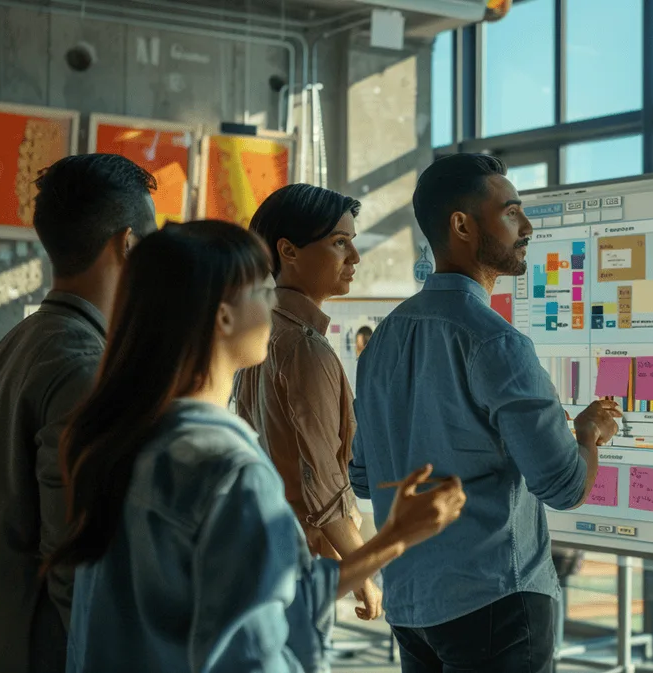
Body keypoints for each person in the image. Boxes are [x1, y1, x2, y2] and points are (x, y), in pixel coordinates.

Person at [46, 220, 466, 672]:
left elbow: (260, 596)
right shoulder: (229, 470)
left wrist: (392, 539)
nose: (274, 308)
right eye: (264, 293)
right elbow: (255, 651)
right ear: (222, 316)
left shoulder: (124, 441)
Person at [350, 153, 622, 673]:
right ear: (462, 225)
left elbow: (362, 477)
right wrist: (589, 433)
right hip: (496, 604)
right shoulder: (496, 342)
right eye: (512, 212)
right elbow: (565, 486)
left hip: (410, 607)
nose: (527, 226)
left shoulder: (381, 342)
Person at [0, 154, 157, 673]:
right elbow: (76, 564)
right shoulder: (86, 367)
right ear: (127, 244)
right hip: (54, 651)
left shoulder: (17, 342)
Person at [233, 183, 380, 624]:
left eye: (352, 243)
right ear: (288, 250)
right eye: (339, 243)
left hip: (262, 549)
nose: (353, 257)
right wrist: (364, 576)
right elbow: (324, 486)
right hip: (299, 562)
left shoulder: (256, 333)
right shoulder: (304, 347)